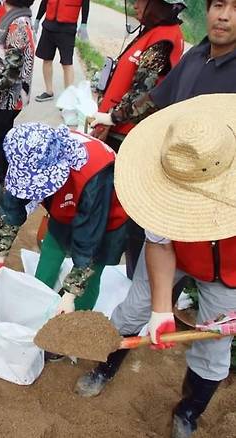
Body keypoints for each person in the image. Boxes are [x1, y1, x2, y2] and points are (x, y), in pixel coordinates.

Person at [76, 94, 236, 438]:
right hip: (177, 251)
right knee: (133, 311)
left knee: (214, 346)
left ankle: (188, 412)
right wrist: (162, 310)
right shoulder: (169, 169)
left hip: (230, 273)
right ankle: (105, 368)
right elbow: (160, 244)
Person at [89, 0, 236, 278]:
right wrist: (113, 117)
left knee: (199, 270)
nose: (225, 17)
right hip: (171, 171)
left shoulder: (166, 41)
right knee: (146, 238)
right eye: (218, 5)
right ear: (207, 11)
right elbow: (157, 97)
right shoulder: (198, 55)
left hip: (209, 191)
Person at [0, 123, 128, 320]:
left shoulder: (94, 176)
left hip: (105, 220)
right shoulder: (33, 152)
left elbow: (89, 240)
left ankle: (74, 319)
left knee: (91, 274)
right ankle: (38, 299)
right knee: (52, 247)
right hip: (65, 207)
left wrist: (70, 294)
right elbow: (14, 203)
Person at [90, 0, 186, 148]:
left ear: (158, 5)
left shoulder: (164, 39)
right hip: (111, 124)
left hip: (124, 133)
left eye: (141, 1)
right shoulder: (152, 30)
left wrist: (112, 118)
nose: (135, 5)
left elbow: (142, 90)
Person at [0, 0, 35, 181]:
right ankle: (2, 179)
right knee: (1, 140)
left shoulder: (17, 24)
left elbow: (13, 66)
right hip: (9, 96)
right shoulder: (20, 18)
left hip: (7, 98)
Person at [32, 0, 89, 101]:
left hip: (67, 28)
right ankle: (48, 91)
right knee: (47, 59)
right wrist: (37, 19)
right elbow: (44, 2)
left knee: (67, 63)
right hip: (49, 26)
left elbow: (85, 3)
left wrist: (84, 23)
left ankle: (68, 97)